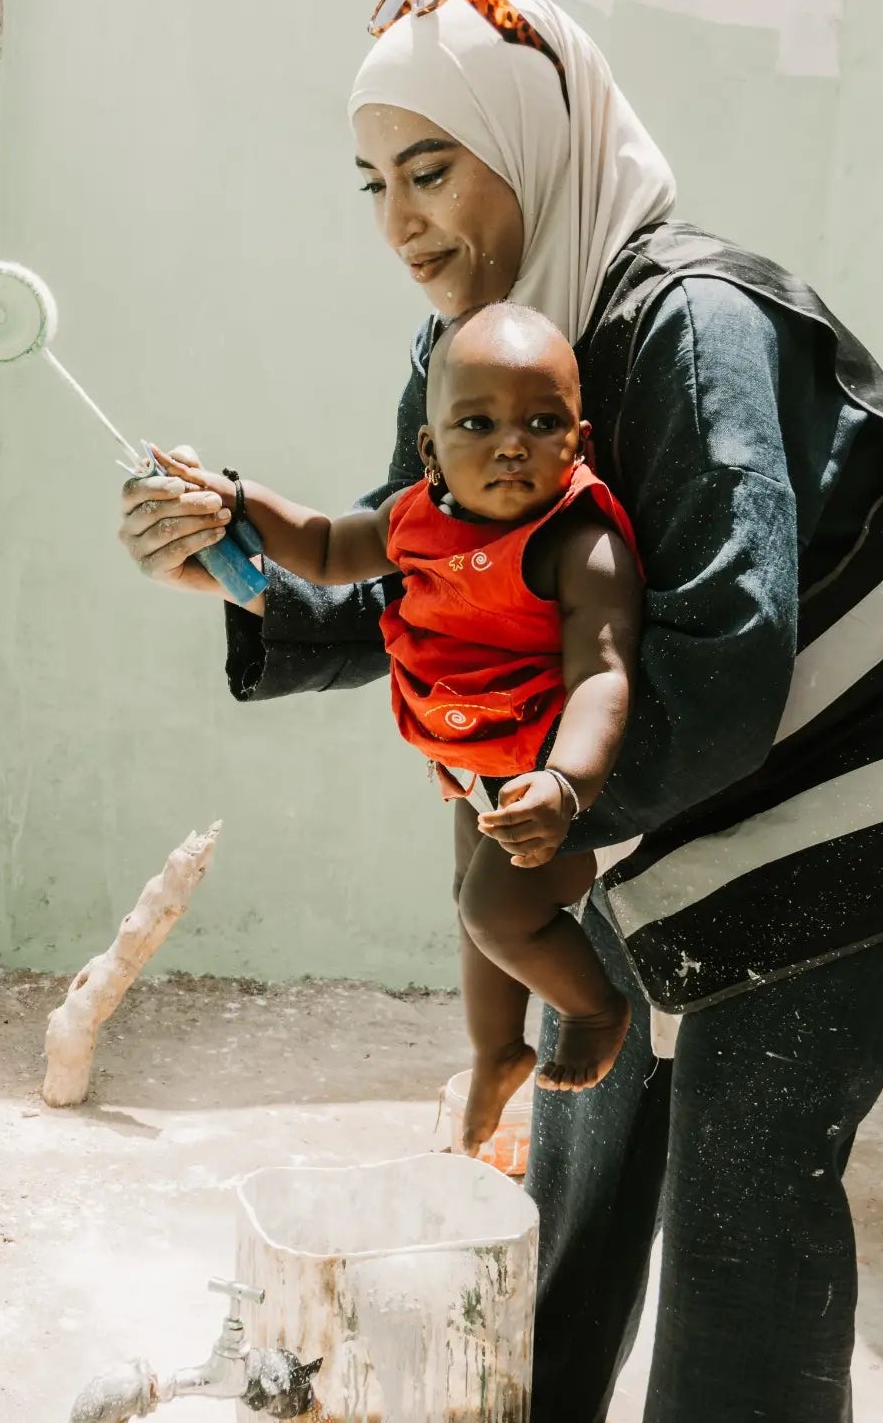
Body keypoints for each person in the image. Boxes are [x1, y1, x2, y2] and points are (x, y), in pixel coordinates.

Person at [117, 0, 883, 1423]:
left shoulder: (695, 320)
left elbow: (733, 652)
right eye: (376, 180)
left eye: (435, 167)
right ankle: (521, 1406)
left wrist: (563, 811)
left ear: (539, 142)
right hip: (676, 727)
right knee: (593, 1043)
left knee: (749, 1152)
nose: (401, 215)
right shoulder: (472, 351)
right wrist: (240, 572)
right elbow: (424, 588)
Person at [154, 301, 644, 1153]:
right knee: (471, 911)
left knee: (501, 910)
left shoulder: (577, 538)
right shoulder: (416, 517)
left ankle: (596, 1009)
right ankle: (497, 1049)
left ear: (580, 441)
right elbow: (323, 548)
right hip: (474, 760)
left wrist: (565, 787)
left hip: (542, 772)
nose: (510, 444)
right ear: (428, 451)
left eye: (540, 422)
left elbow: (604, 672)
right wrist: (235, 499)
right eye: (476, 422)